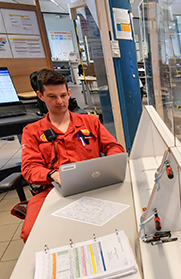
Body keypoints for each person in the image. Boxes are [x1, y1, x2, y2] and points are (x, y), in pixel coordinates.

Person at [20, 70, 125, 242]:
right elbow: (29, 168)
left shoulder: (90, 122)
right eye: (52, 96)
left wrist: (108, 165)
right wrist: (52, 174)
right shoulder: (32, 131)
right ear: (40, 96)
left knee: (119, 222)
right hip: (53, 189)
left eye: (63, 95)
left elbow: (114, 147)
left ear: (69, 93)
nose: (60, 102)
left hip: (93, 184)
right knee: (31, 233)